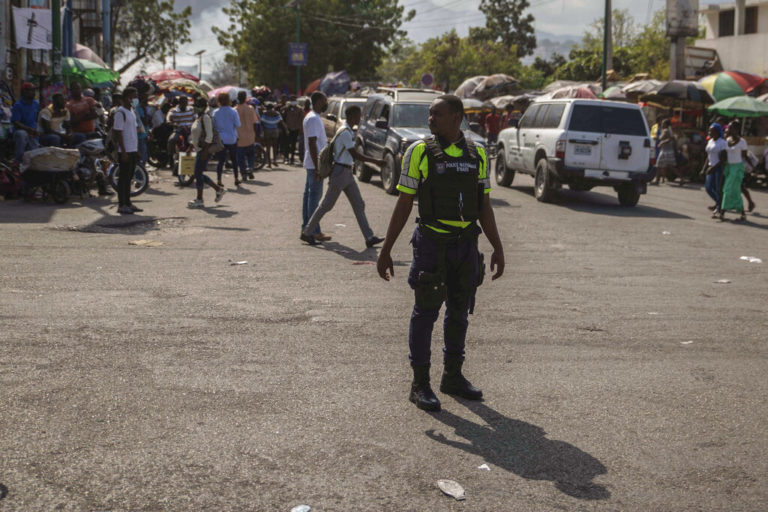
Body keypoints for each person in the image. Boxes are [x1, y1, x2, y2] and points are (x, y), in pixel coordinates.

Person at [376, 95, 505, 412]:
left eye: (437, 114)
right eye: (429, 114)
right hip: (432, 244)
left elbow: (484, 204)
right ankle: (420, 383)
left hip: (465, 246)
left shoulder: (477, 154)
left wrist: (498, 247)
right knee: (425, 314)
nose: (430, 119)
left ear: (457, 117)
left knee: (460, 312)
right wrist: (387, 249)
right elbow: (404, 202)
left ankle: (453, 376)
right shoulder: (419, 152)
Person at [300, 105, 385, 248]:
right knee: (326, 205)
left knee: (359, 204)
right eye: (359, 116)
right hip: (341, 173)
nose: (360, 118)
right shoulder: (345, 132)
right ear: (352, 116)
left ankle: (369, 237)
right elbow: (355, 155)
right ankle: (307, 232)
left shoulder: (346, 129)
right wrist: (376, 161)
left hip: (346, 172)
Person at [187, 97, 226, 209]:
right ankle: (218, 190)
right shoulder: (198, 118)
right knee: (198, 174)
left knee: (197, 174)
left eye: (197, 105)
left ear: (203, 107)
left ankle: (200, 199)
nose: (195, 107)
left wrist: (205, 151)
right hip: (199, 149)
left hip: (204, 150)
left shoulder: (206, 117)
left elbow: (209, 136)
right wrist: (191, 146)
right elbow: (197, 135)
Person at [302, 92, 330, 241]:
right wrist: (318, 167)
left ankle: (307, 228)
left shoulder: (314, 117)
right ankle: (313, 231)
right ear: (319, 101)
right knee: (314, 198)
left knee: (309, 197)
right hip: (314, 164)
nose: (326, 103)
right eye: (325, 101)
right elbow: (312, 143)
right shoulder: (313, 118)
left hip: (312, 163)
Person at [112, 87, 142, 215]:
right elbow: (118, 132)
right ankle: (121, 204)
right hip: (125, 150)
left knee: (129, 177)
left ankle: (128, 202)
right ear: (127, 98)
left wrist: (137, 148)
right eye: (133, 97)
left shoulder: (132, 112)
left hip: (133, 149)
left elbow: (134, 131)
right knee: (123, 178)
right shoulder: (120, 112)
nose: (135, 99)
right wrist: (123, 151)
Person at [720, 121, 748, 222]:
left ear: (736, 129)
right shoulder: (727, 140)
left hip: (737, 168)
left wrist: (752, 166)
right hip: (729, 167)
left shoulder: (742, 141)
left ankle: (722, 212)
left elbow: (745, 155)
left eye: (731, 128)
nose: (728, 129)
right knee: (736, 192)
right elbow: (724, 154)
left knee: (727, 189)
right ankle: (743, 213)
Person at [213, 93, 242, 186]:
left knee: (221, 161)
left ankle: (219, 180)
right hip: (232, 138)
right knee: (234, 159)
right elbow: (238, 125)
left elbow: (214, 126)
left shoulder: (215, 112)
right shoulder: (233, 111)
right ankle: (236, 178)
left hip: (221, 139)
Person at [11, 82, 40, 163]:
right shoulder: (18, 105)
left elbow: (38, 118)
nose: (33, 93)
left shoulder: (36, 104)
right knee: (22, 134)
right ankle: (17, 161)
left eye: (34, 90)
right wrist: (29, 129)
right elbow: (16, 122)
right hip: (21, 131)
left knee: (35, 153)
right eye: (31, 90)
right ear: (24, 92)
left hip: (33, 132)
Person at [703, 123, 727, 219]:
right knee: (708, 187)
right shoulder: (710, 141)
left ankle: (720, 210)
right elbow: (708, 156)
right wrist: (703, 168)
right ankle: (719, 203)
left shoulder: (722, 143)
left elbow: (723, 159)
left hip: (719, 168)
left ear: (717, 132)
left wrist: (713, 168)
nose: (709, 132)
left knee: (718, 189)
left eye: (711, 131)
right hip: (710, 166)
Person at [166, 96, 196, 173]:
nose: (185, 104)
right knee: (172, 140)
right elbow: (168, 117)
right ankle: (170, 157)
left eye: (186, 102)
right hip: (178, 130)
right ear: (179, 102)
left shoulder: (191, 109)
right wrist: (170, 121)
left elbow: (196, 117)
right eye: (183, 102)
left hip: (190, 130)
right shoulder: (173, 110)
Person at [235, 90, 258, 180]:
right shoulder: (251, 108)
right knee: (251, 155)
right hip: (250, 136)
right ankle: (250, 168)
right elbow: (255, 122)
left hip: (239, 138)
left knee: (240, 157)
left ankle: (244, 174)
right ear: (245, 98)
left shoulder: (235, 110)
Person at [261, 102, 284, 168]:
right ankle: (274, 160)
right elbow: (281, 121)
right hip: (275, 130)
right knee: (275, 146)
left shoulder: (265, 113)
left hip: (267, 130)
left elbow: (262, 121)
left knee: (268, 147)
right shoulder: (276, 113)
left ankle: (269, 163)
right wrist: (286, 129)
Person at [283, 96, 303, 165]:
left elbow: (301, 119)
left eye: (294, 100)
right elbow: (283, 118)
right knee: (287, 144)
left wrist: (300, 128)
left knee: (294, 144)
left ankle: (292, 158)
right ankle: (286, 158)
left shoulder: (299, 109)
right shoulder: (287, 108)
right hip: (288, 129)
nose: (293, 101)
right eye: (292, 100)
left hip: (296, 129)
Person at [654, 119, 675, 184]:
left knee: (658, 165)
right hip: (665, 150)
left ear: (666, 125)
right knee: (665, 166)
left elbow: (669, 139)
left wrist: (661, 143)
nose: (662, 124)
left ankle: (657, 180)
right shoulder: (666, 131)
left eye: (663, 123)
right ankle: (659, 179)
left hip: (666, 151)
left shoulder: (666, 131)